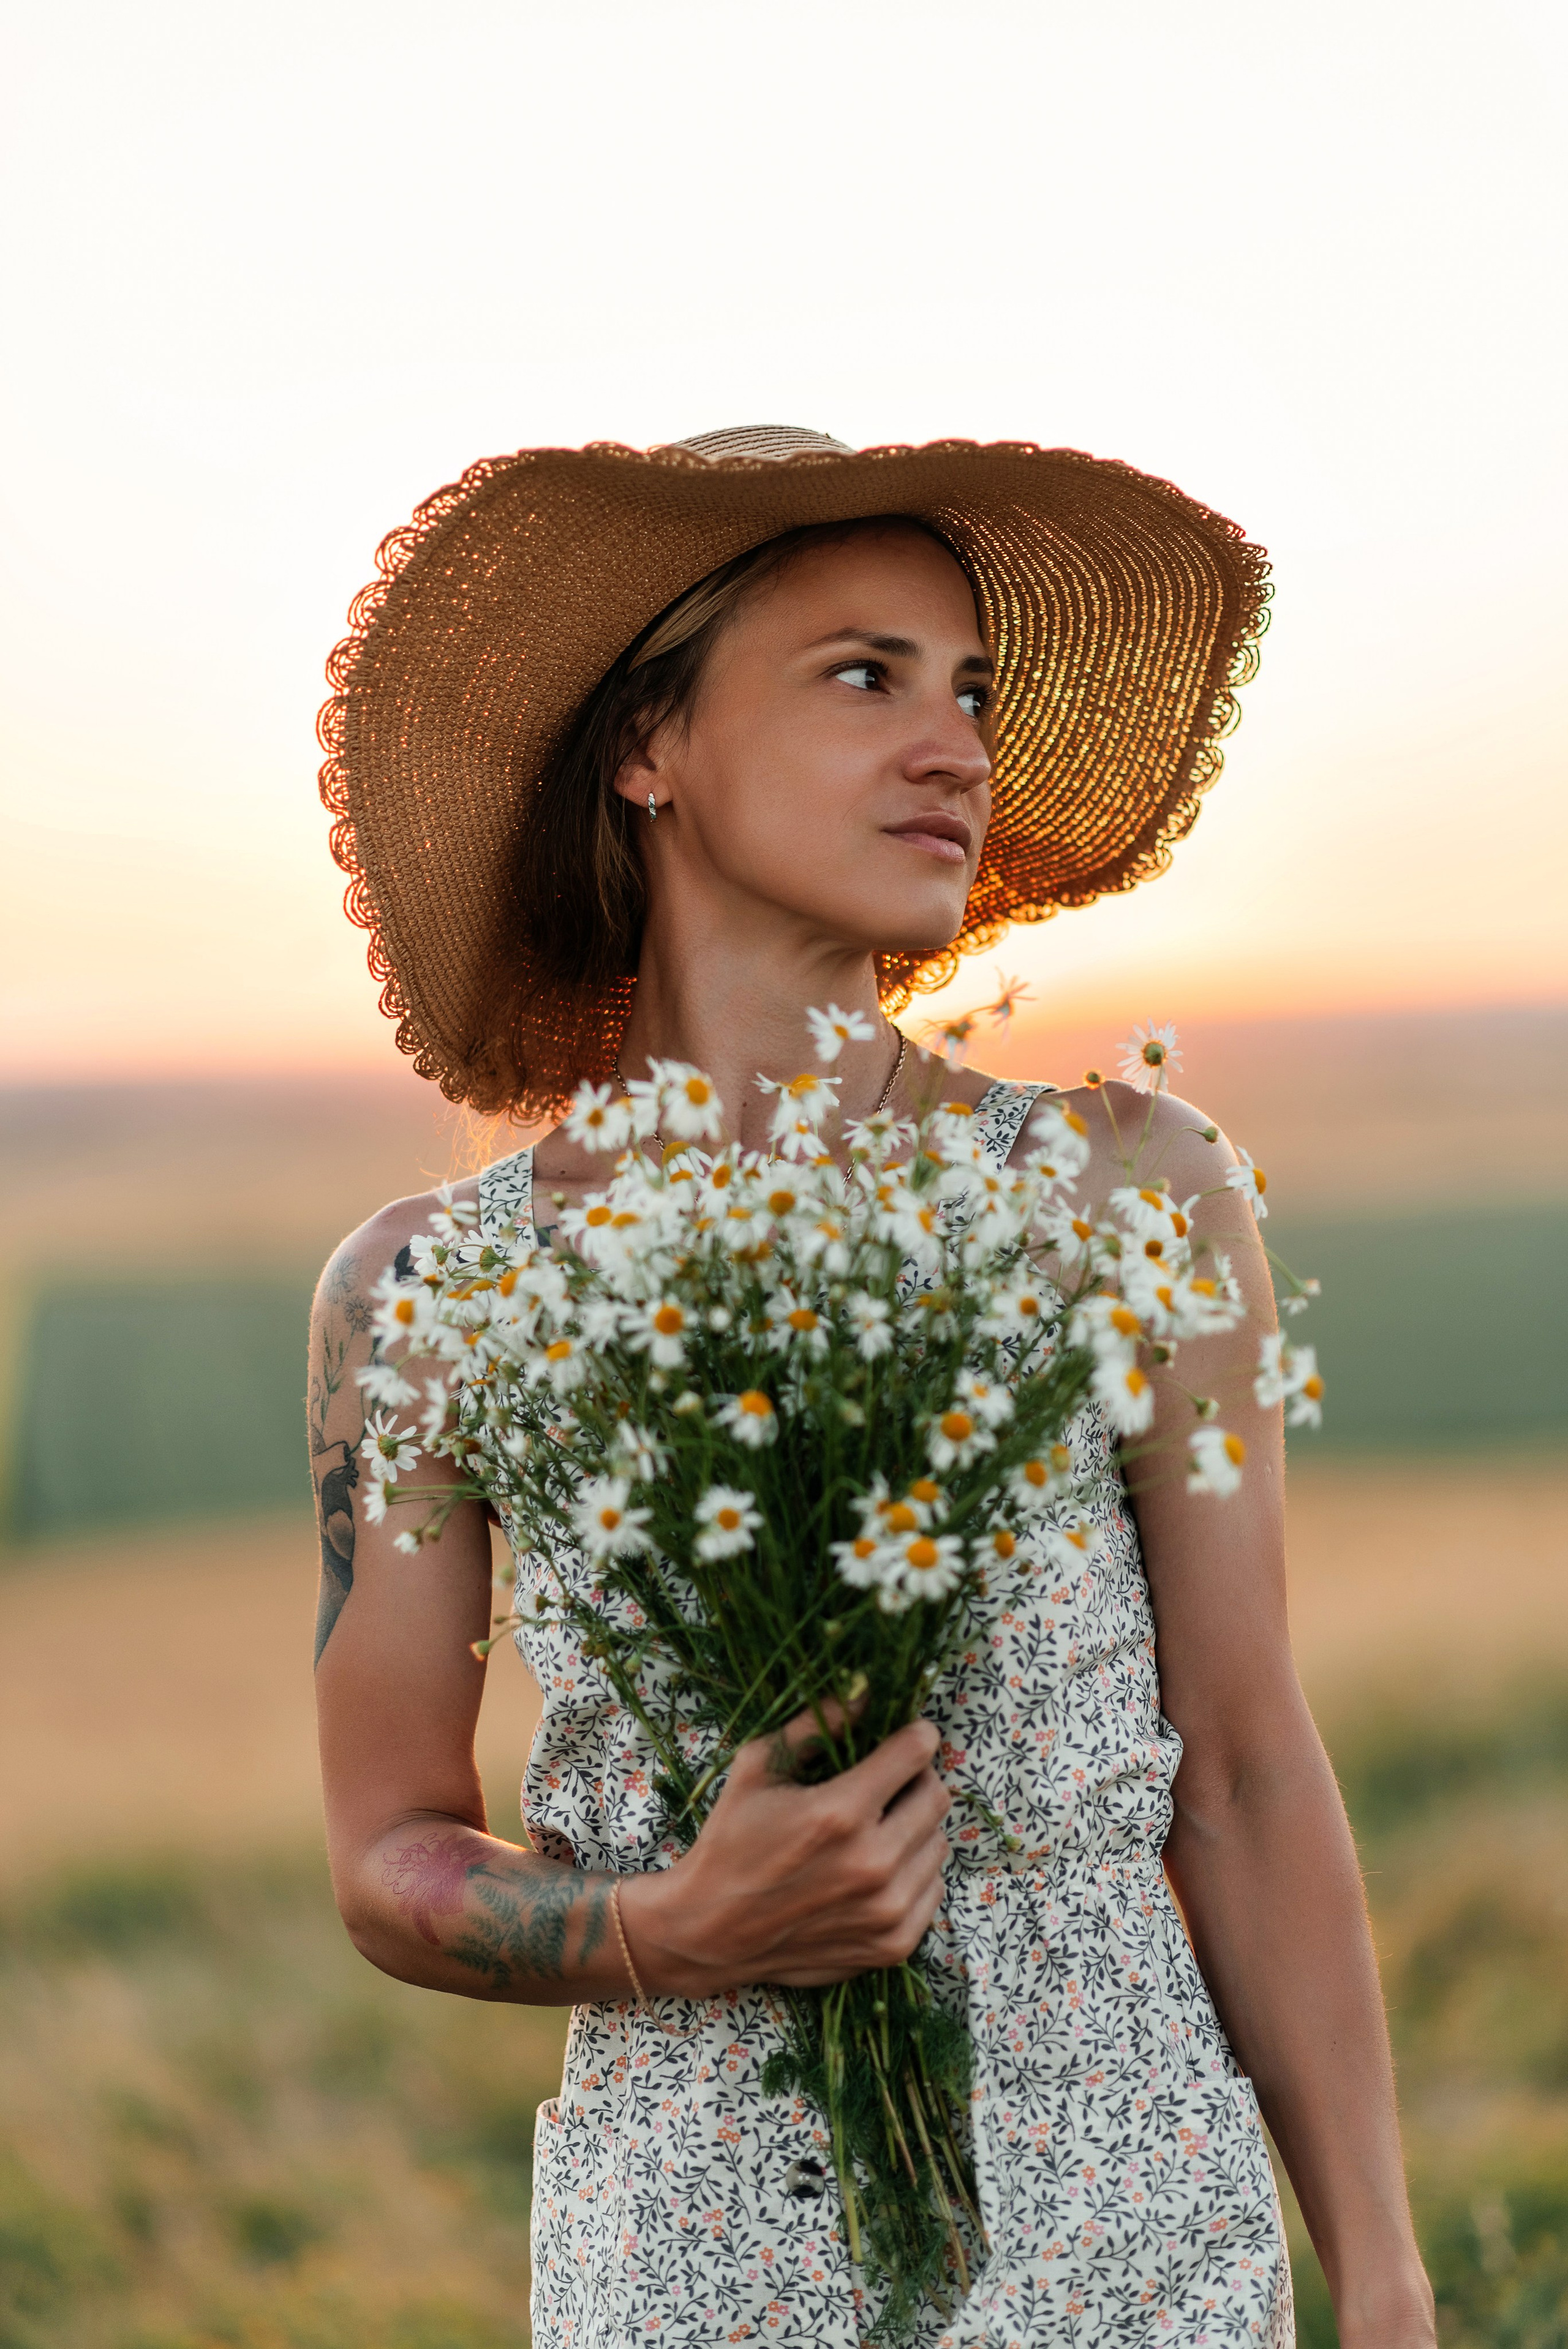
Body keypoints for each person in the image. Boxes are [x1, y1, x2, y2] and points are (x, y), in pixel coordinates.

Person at [309, 427, 1434, 2348]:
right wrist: (668, 1926)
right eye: (866, 674)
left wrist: (1390, 2284)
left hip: (1135, 2229)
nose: (956, 747)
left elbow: (1243, 1765)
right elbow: (390, 1852)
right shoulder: (433, 1290)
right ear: (648, 745)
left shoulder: (1129, 1187)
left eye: (973, 686)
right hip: (685, 2253)